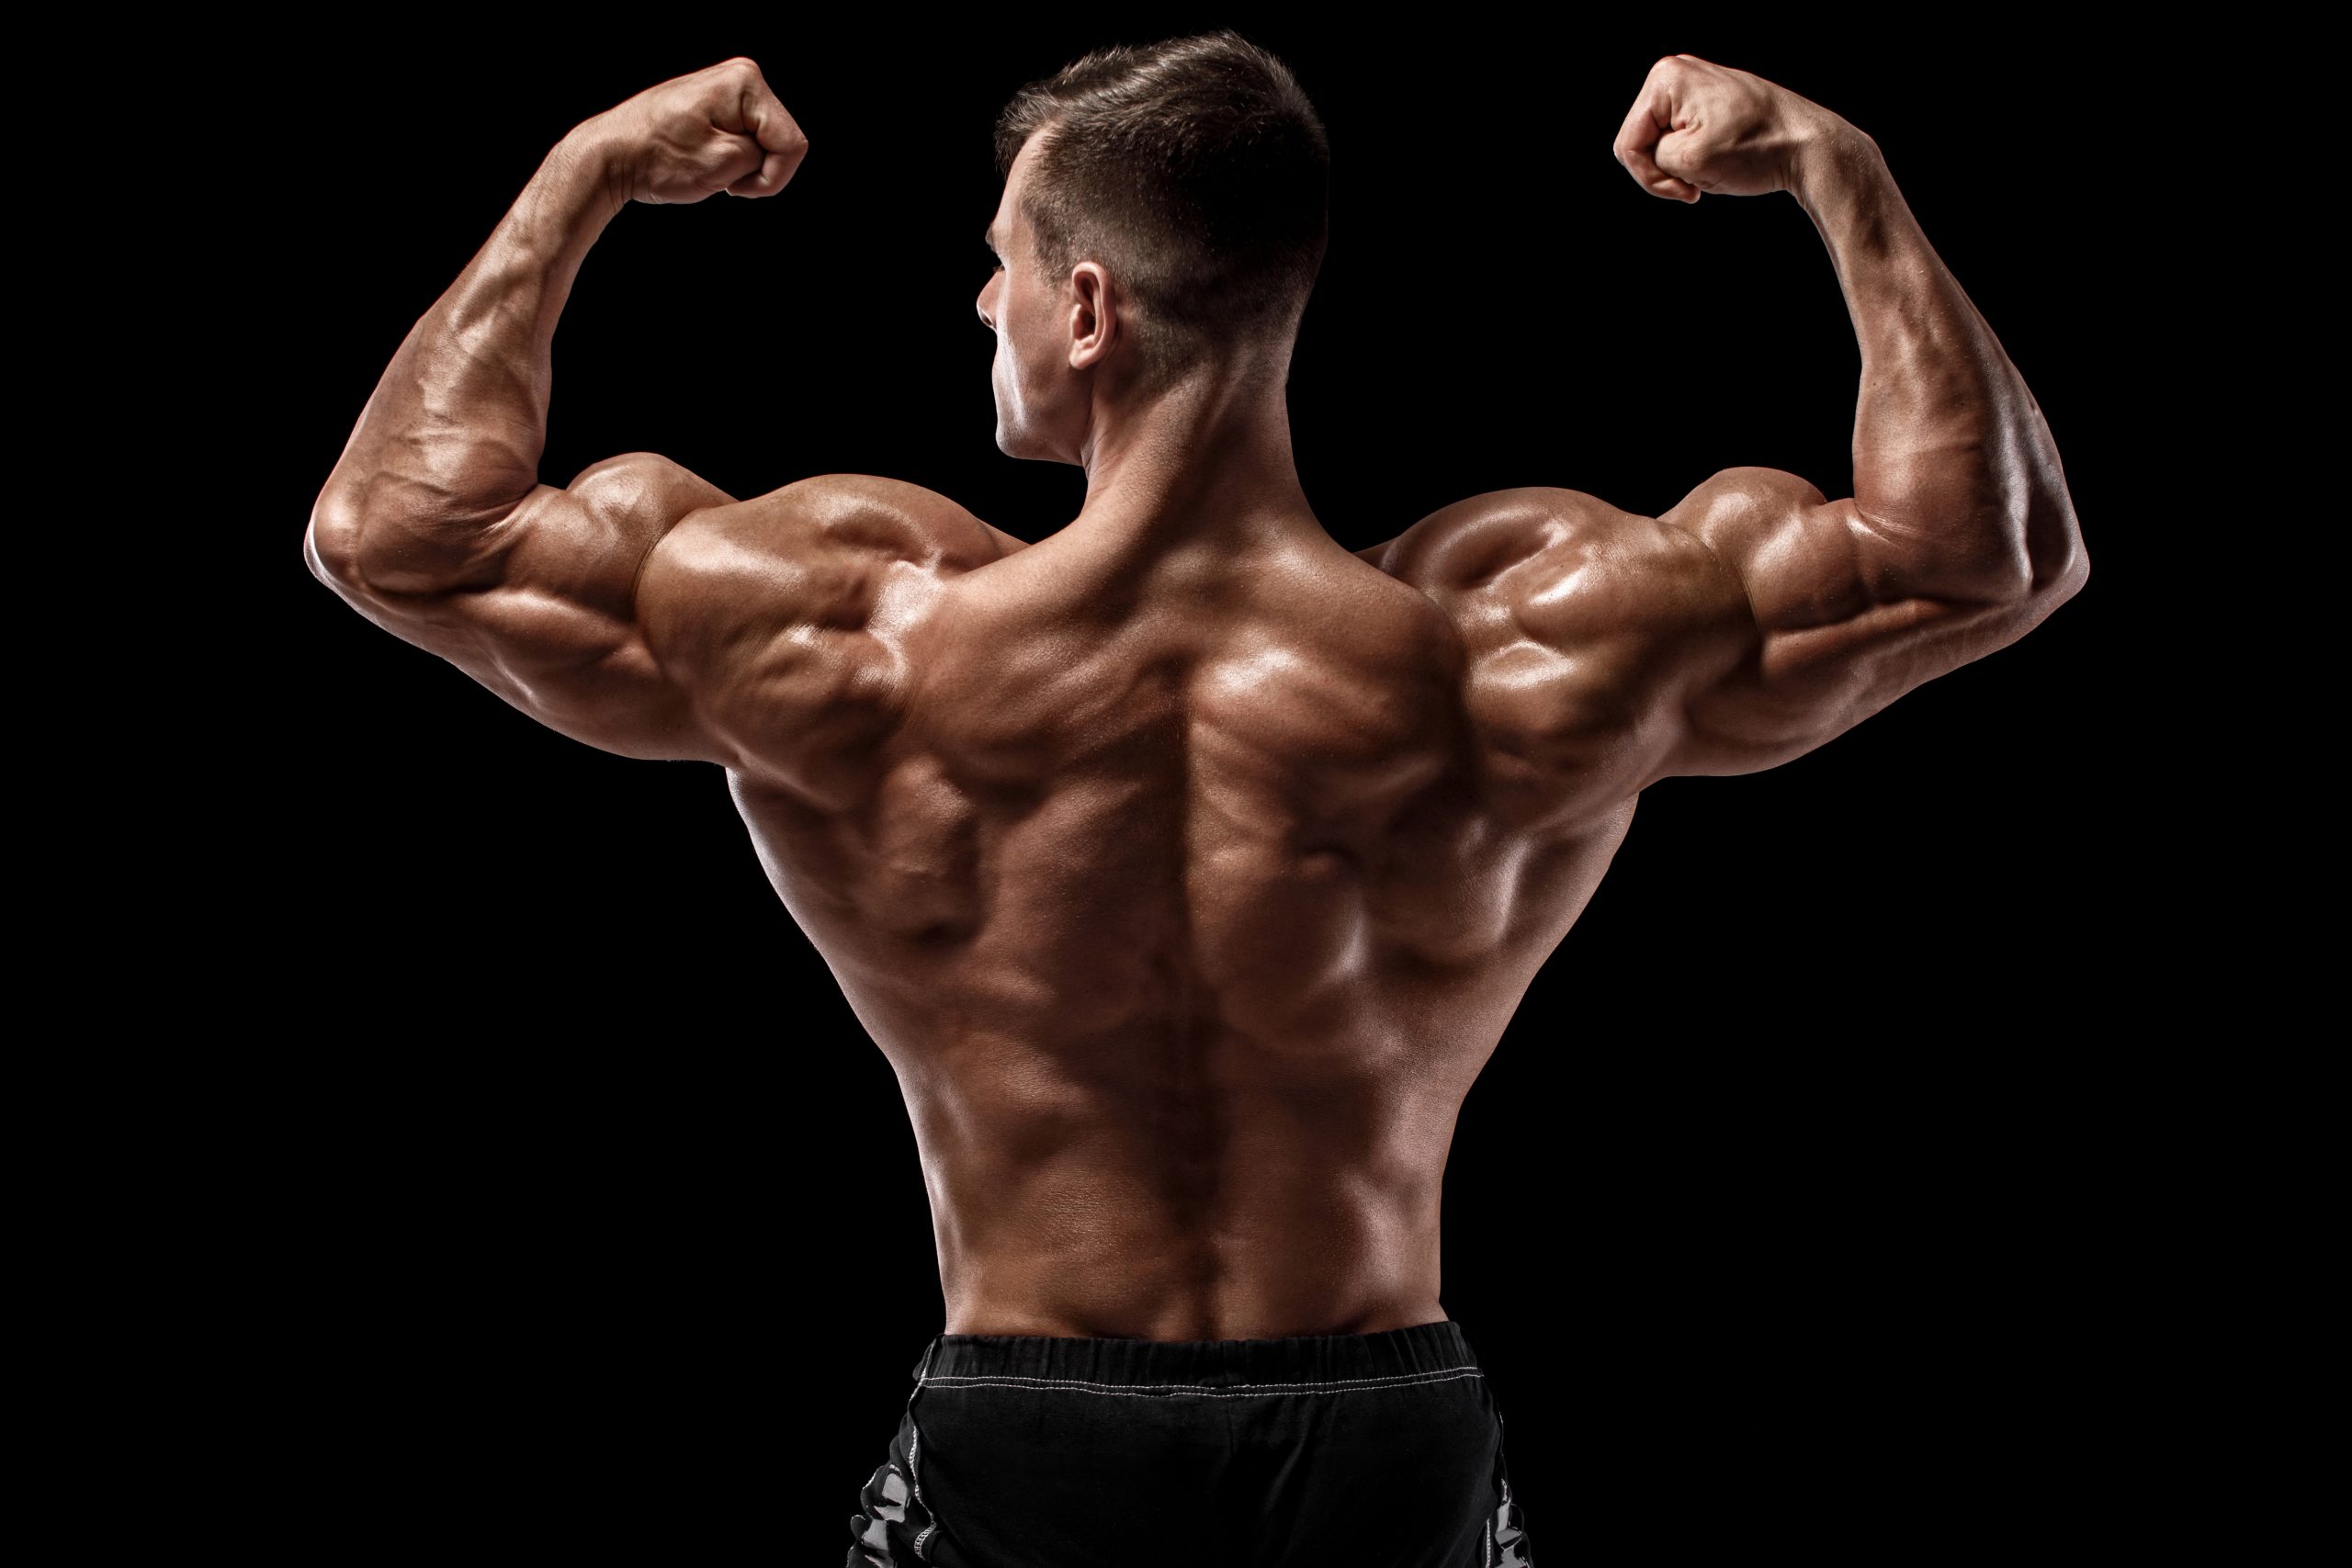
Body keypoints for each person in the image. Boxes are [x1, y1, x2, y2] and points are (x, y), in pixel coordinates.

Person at [303, 30, 2086, 1568]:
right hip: (1380, 1434)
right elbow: (1985, 554)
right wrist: (1837, 175)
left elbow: (397, 531)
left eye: (998, 259)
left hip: (1027, 1425)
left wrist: (584, 172)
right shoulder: (1505, 653)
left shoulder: (862, 641)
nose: (978, 298)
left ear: (1085, 306)